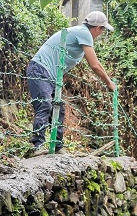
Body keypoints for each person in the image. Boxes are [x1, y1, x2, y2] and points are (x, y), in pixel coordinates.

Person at [26, 11, 116, 156]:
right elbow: (95, 65)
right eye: (102, 29)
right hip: (40, 68)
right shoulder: (84, 33)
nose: (101, 33)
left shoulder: (80, 33)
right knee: (45, 105)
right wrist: (109, 83)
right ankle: (36, 145)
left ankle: (57, 146)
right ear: (97, 27)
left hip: (51, 74)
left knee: (58, 108)